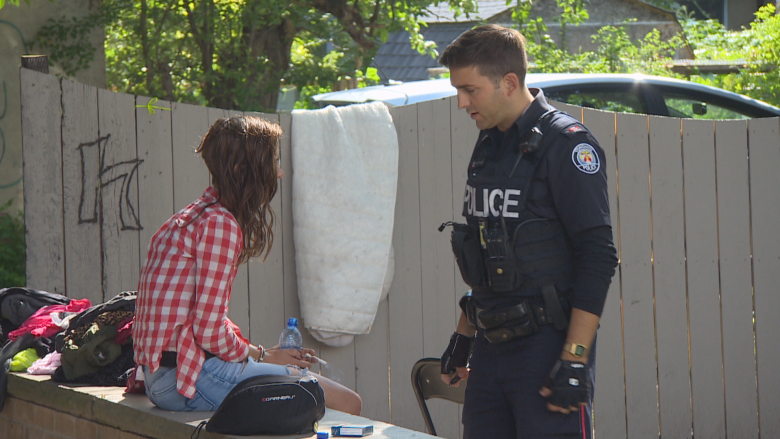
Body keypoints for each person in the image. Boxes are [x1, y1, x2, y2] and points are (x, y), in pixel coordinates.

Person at [437, 25, 618, 438]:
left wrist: (574, 358)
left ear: (509, 82)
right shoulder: (489, 143)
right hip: (490, 351)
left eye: (470, 90)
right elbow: (491, 254)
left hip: (546, 351)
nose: (462, 102)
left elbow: (598, 255)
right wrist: (464, 335)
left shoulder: (567, 145)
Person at [133, 116, 361, 415]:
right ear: (243, 169)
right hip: (187, 380)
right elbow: (209, 331)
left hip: (161, 378)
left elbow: (197, 324)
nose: (279, 173)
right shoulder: (220, 226)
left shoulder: (191, 216)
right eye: (272, 162)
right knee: (347, 402)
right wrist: (263, 356)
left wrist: (265, 356)